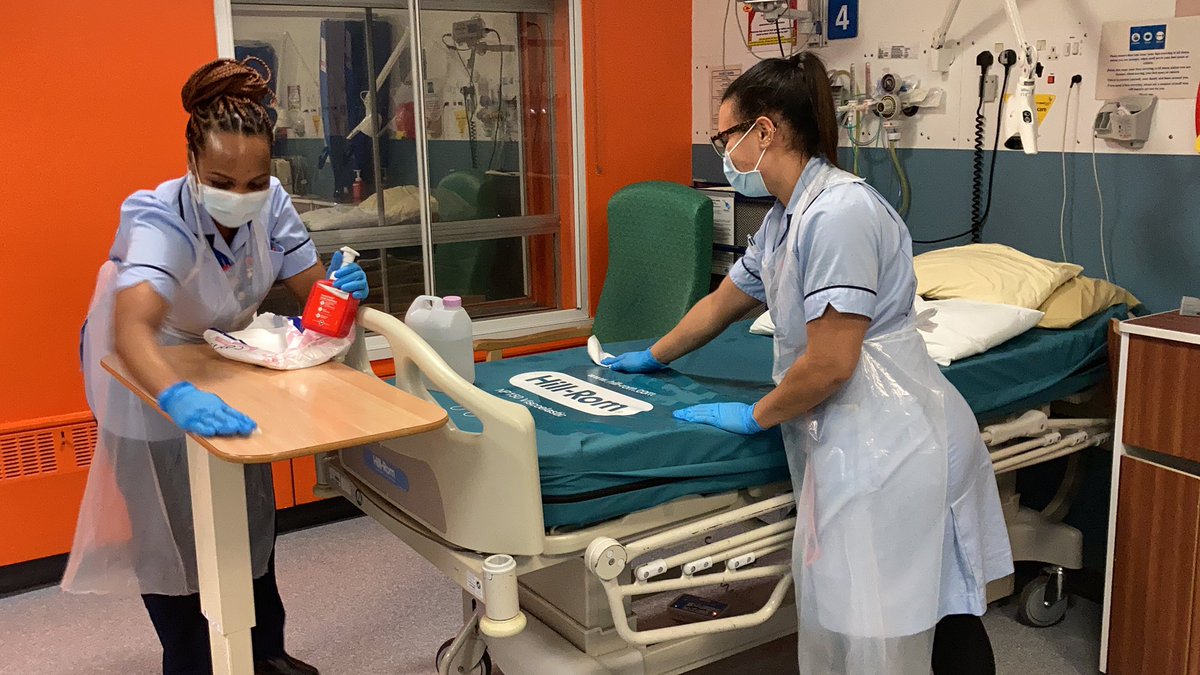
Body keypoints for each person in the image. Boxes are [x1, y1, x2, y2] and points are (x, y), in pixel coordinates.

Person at [602, 52, 1013, 674]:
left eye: (724, 137)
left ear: (763, 132)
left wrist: (756, 415)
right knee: (885, 607)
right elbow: (722, 304)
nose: (723, 154)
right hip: (856, 432)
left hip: (893, 438)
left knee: (911, 612)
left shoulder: (841, 214)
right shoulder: (786, 218)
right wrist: (651, 357)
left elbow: (830, 365)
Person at [63, 58, 369, 675]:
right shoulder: (160, 217)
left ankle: (265, 653)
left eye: (254, 180)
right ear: (192, 162)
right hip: (145, 372)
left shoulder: (270, 199)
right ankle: (191, 661)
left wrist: (337, 291)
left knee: (250, 515)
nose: (240, 197)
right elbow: (133, 329)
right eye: (222, 181)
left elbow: (308, 286)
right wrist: (176, 398)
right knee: (172, 537)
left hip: (214, 358)